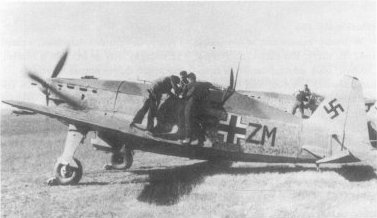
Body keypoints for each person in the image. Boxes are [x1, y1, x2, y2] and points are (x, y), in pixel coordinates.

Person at [180, 73, 211, 145]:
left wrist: (181, 94)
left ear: (189, 79)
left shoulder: (188, 85)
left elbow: (183, 96)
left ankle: (188, 139)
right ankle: (201, 139)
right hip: (199, 107)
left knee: (188, 122)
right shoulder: (201, 84)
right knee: (196, 122)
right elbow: (208, 86)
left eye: (187, 79)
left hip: (190, 106)